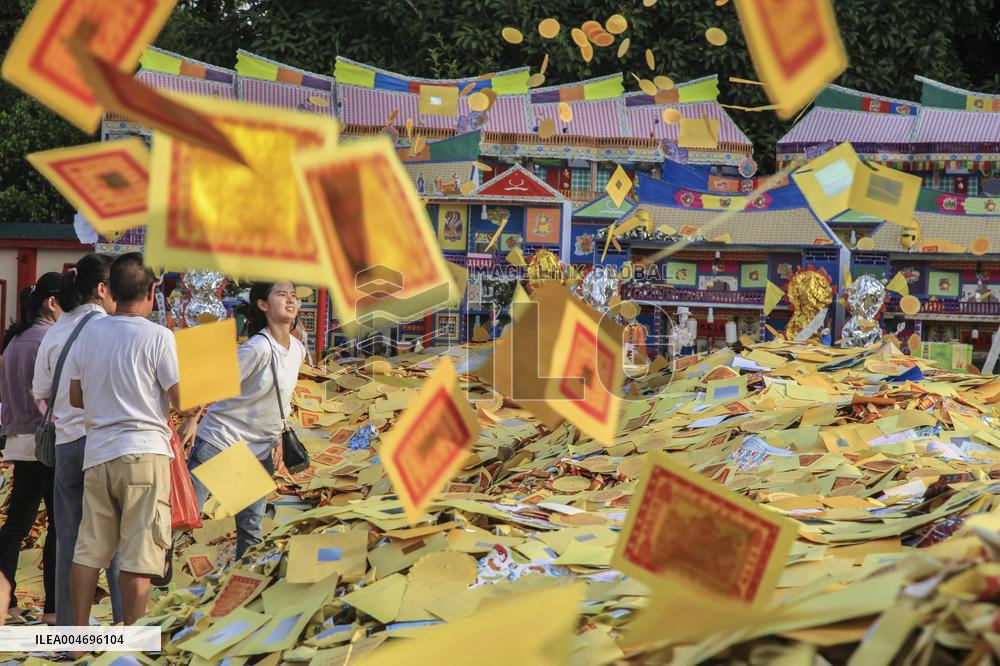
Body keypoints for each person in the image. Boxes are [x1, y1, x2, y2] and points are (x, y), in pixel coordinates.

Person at [66, 253, 187, 626]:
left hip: (98, 453)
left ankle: (76, 639)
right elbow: (181, 398)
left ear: (111, 292)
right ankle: (131, 639)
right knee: (140, 552)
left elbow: (75, 397)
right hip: (144, 455)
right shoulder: (159, 337)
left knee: (88, 550)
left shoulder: (89, 333)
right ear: (152, 292)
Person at [33, 254, 124, 626]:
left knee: (68, 538)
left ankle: (71, 629)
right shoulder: (111, 329)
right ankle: (124, 627)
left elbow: (40, 389)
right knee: (116, 542)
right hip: (104, 442)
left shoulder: (57, 329)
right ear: (104, 290)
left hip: (66, 443)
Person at [185, 282, 305, 558]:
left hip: (255, 451)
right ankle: (151, 582)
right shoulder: (258, 348)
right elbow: (213, 383)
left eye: (294, 296)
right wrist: (192, 420)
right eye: (281, 295)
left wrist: (278, 438)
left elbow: (283, 401)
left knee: (251, 531)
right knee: (184, 519)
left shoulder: (296, 349)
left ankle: (241, 594)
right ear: (263, 305)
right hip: (222, 441)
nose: (290, 300)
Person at [0, 272, 62, 624]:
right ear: (53, 303)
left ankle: (5, 603)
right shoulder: (49, 340)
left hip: (19, 443)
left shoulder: (14, 341)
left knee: (16, 525)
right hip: (47, 443)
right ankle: (53, 610)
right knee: (57, 526)